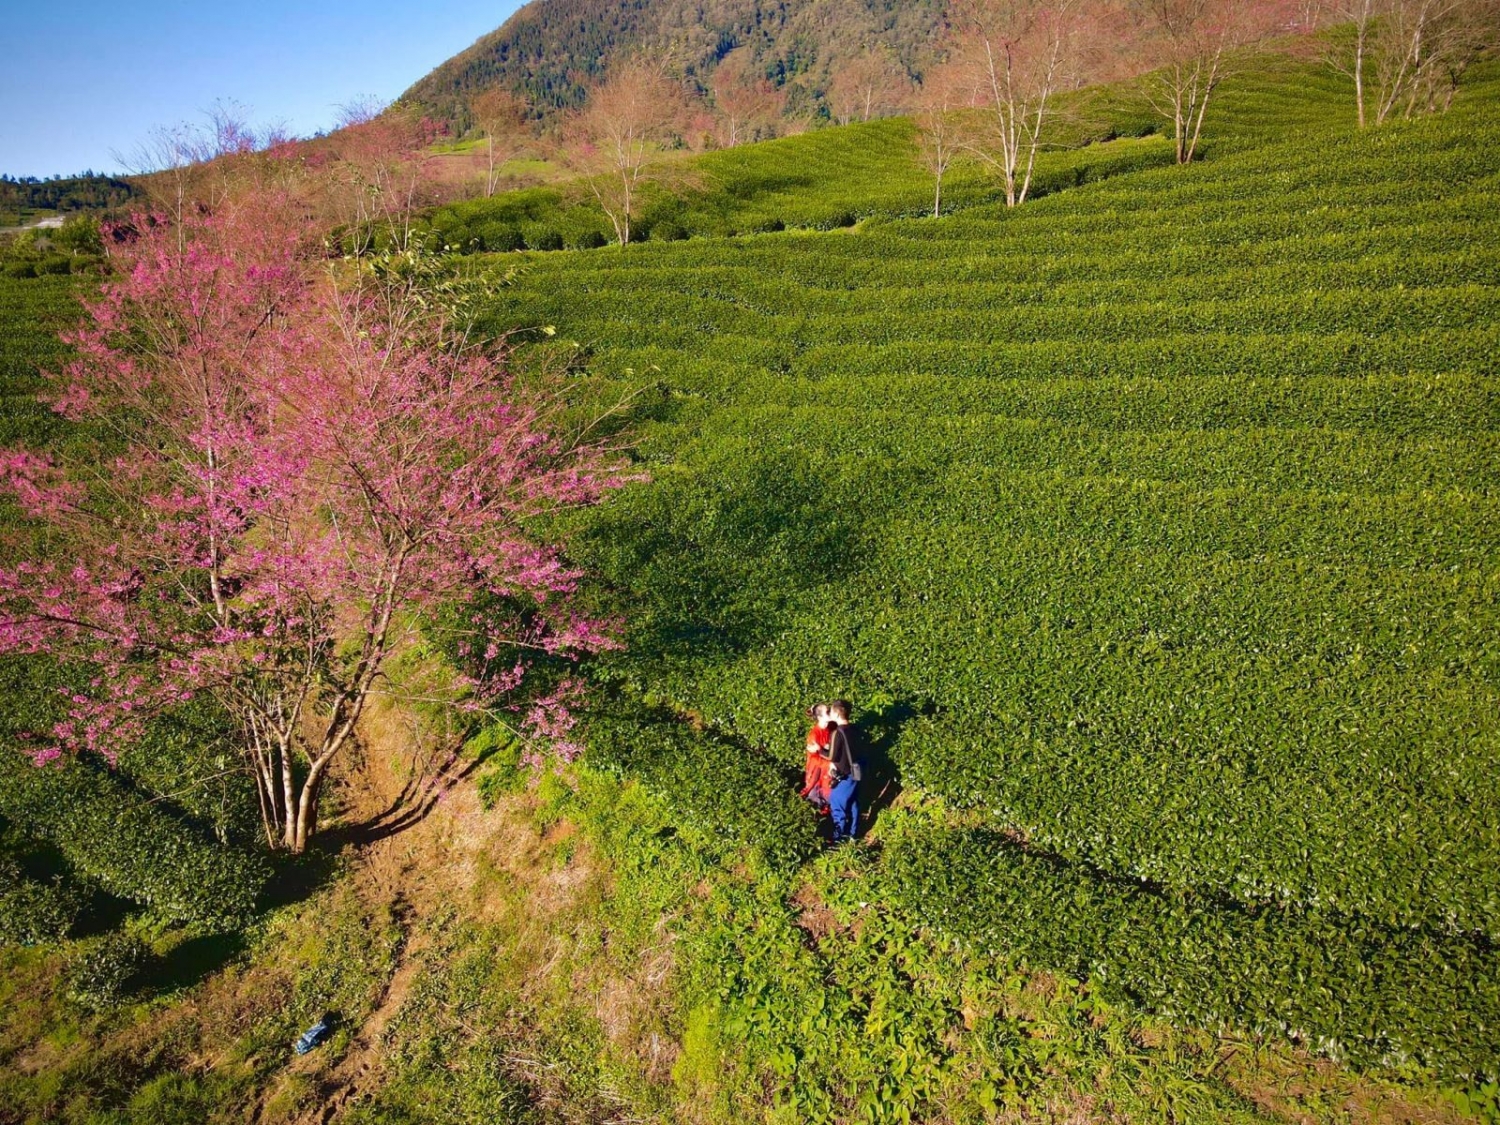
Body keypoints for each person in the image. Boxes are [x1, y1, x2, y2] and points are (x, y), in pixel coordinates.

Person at [825, 700, 861, 844]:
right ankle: (853, 835)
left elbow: (832, 756)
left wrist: (818, 749)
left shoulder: (837, 732)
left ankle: (837, 838)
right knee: (853, 803)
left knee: (836, 803)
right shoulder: (854, 728)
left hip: (844, 774)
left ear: (836, 713)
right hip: (857, 771)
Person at [800, 703, 832, 814]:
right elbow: (813, 758)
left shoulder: (829, 728)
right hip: (818, 769)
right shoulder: (814, 735)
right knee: (817, 794)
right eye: (827, 712)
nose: (830, 712)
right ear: (820, 717)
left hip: (825, 766)